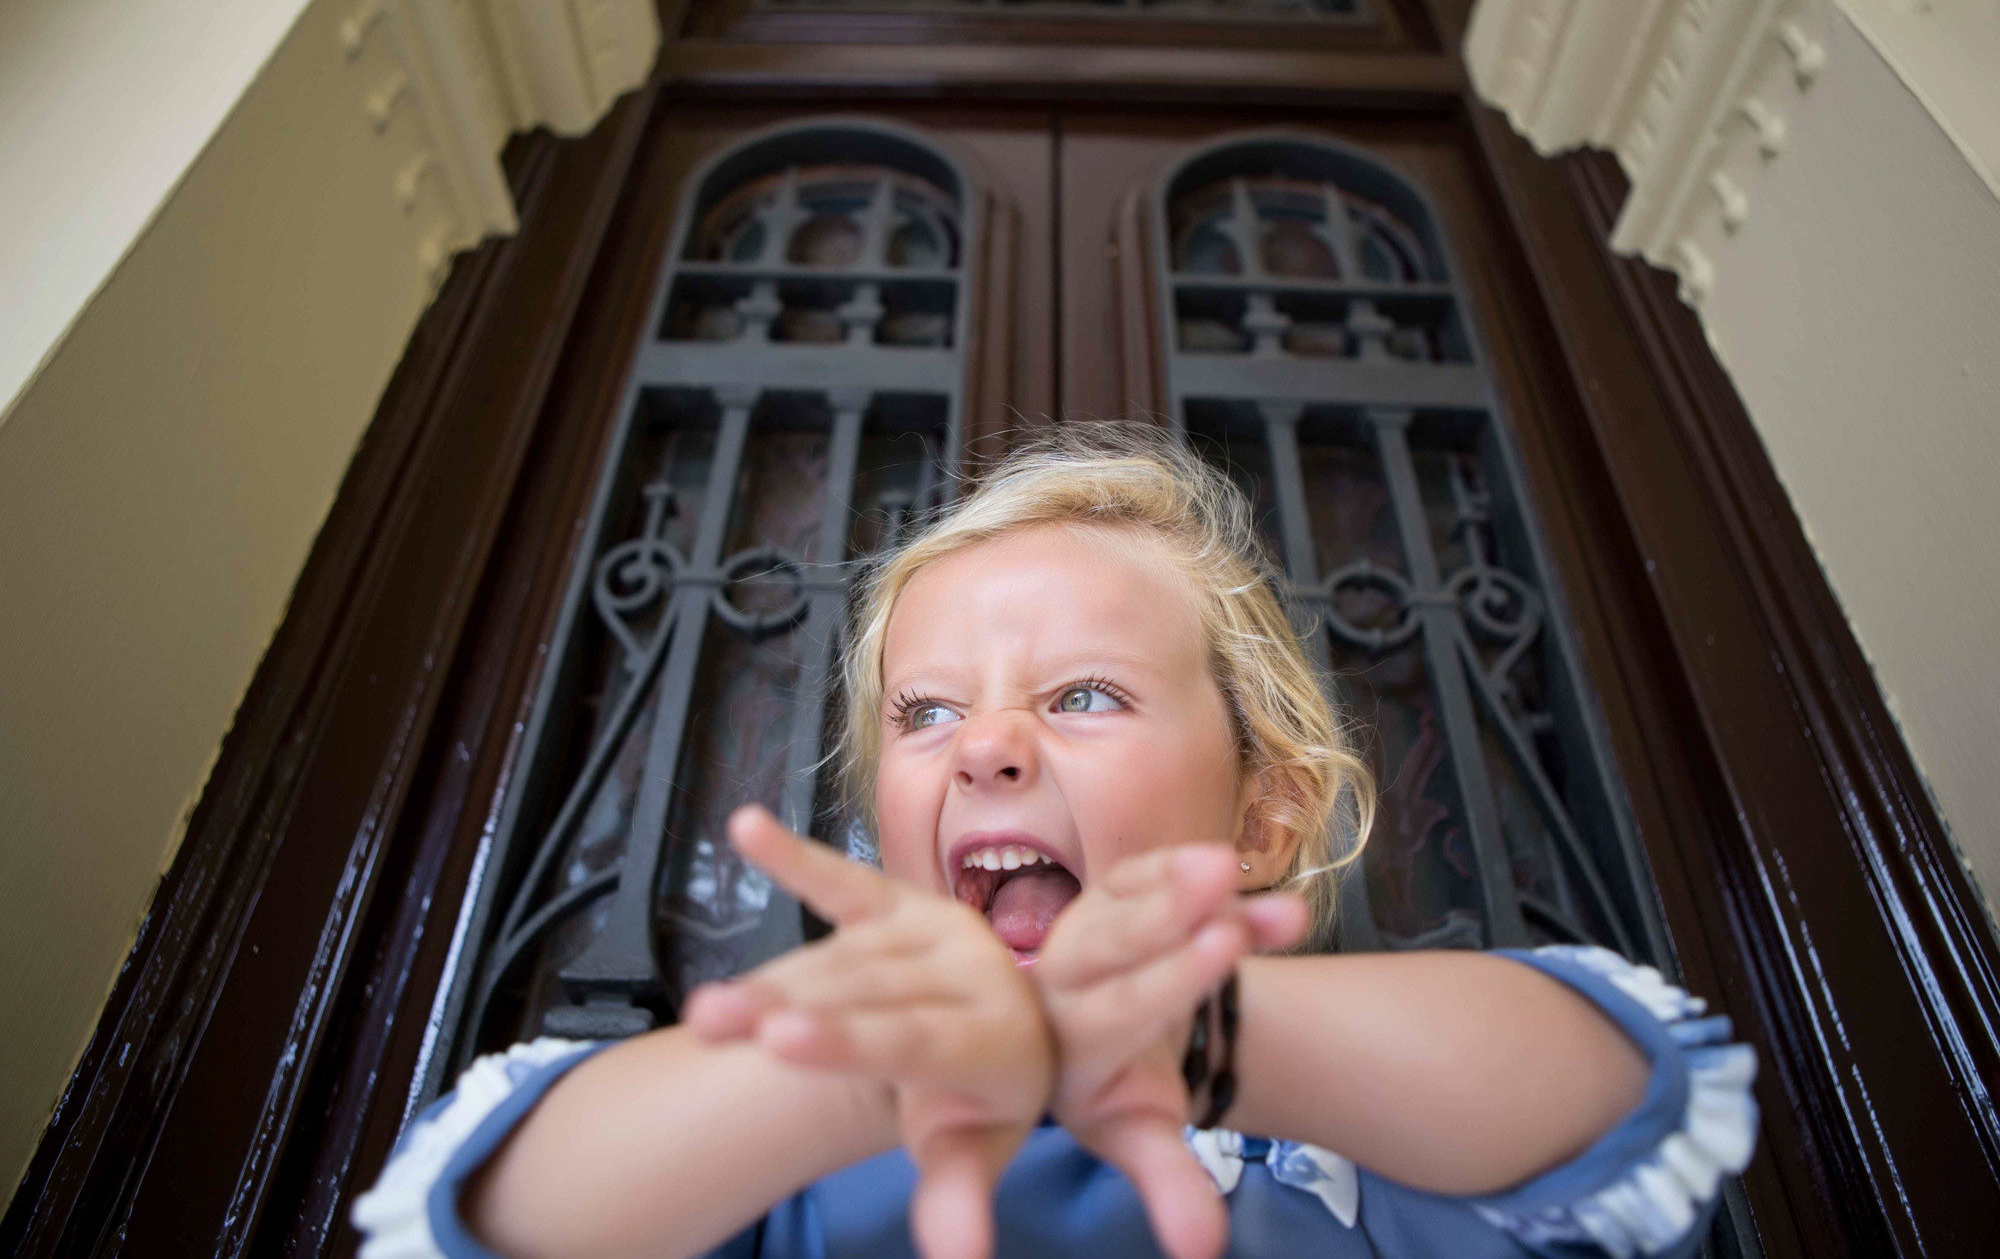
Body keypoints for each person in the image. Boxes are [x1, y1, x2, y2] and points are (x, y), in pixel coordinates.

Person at [353, 424, 1758, 1259]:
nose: (989, 743)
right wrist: (862, 1073)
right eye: (928, 712)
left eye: (1085, 693)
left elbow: (1625, 1088)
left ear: (1265, 815)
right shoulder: (777, 1167)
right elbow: (506, 1213)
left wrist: (1188, 1040)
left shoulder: (1373, 1156)